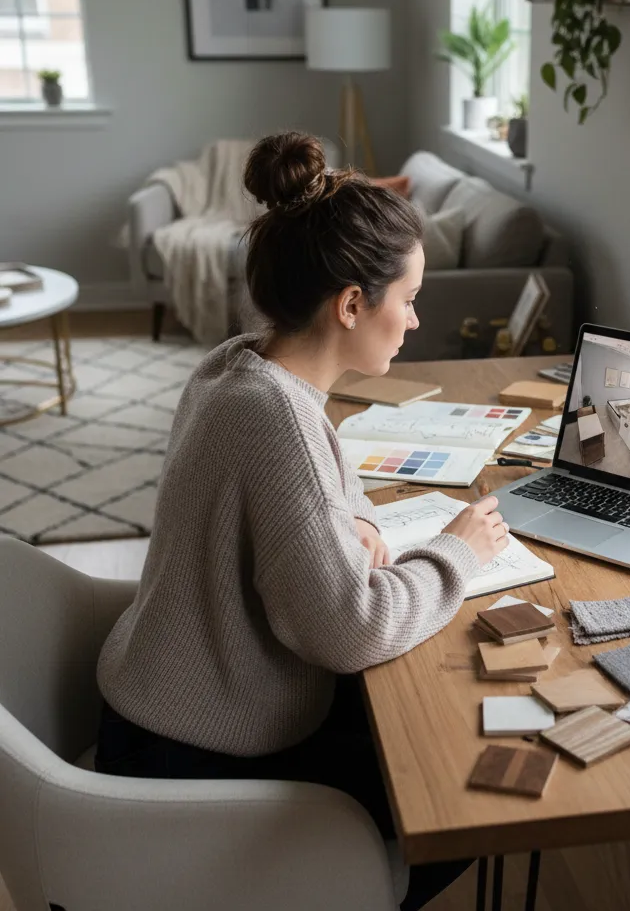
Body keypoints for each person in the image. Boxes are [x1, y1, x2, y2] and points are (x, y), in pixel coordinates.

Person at [94, 131, 508, 909]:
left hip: (168, 705)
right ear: (352, 304)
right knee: (471, 802)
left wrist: (353, 530)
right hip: (188, 759)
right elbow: (350, 629)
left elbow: (323, 499)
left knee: (428, 735)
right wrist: (459, 552)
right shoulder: (275, 418)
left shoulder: (240, 364)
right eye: (409, 300)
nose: (416, 322)